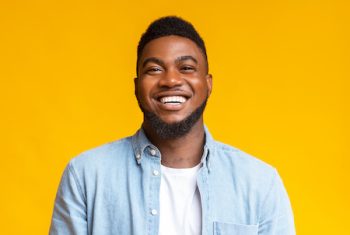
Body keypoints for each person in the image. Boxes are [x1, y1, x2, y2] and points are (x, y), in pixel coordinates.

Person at [49, 16, 295, 235]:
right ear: (136, 86)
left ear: (208, 84)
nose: (171, 80)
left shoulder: (260, 183)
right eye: (154, 69)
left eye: (186, 68)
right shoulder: (86, 176)